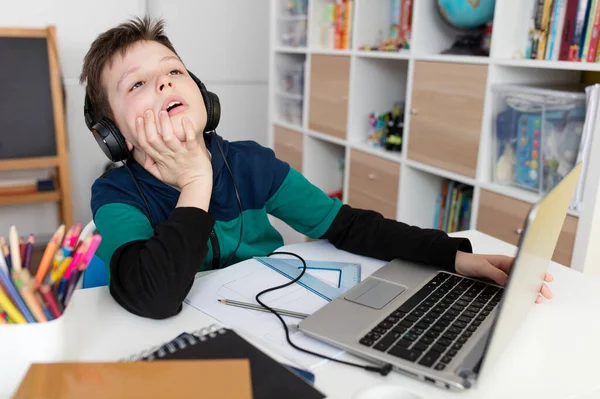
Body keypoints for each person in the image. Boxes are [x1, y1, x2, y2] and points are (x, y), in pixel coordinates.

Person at [80, 16, 553, 320]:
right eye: (138, 83)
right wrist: (196, 180)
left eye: (174, 71)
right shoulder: (116, 197)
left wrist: (454, 257)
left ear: (203, 95)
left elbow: (349, 226)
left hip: (269, 322)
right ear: (112, 135)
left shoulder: (250, 164)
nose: (164, 82)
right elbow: (156, 297)